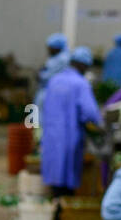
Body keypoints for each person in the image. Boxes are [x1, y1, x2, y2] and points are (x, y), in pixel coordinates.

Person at [40, 46, 102, 198]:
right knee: (67, 180)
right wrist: (100, 125)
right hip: (69, 137)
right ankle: (64, 215)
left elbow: (41, 105)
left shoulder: (54, 80)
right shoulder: (81, 84)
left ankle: (56, 212)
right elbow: (90, 113)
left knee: (55, 177)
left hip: (50, 134)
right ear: (82, 65)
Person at [35, 32, 70, 116]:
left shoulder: (62, 60)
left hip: (52, 95)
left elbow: (48, 76)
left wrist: (40, 74)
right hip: (46, 93)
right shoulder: (55, 58)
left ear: (56, 47)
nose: (48, 50)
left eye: (50, 47)